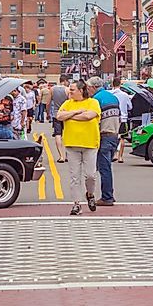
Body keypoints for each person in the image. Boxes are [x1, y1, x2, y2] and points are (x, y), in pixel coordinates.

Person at [57, 80, 101, 215]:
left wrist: (69, 116)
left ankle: (90, 194)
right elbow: (59, 116)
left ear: (81, 91)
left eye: (72, 90)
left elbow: (89, 116)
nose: (69, 92)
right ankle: (77, 204)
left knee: (90, 175)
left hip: (90, 144)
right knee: (74, 177)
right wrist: (76, 112)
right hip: (71, 144)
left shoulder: (93, 103)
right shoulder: (68, 103)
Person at [86, 77, 121, 206]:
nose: (87, 90)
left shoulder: (96, 100)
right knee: (106, 167)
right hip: (114, 135)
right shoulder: (113, 97)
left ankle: (107, 197)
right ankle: (108, 193)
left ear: (94, 87)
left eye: (89, 88)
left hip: (104, 135)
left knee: (104, 168)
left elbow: (93, 120)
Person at [110, 77, 133, 163]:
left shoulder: (110, 94)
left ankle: (114, 154)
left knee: (113, 137)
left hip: (112, 118)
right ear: (120, 84)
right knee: (122, 138)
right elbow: (130, 107)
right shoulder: (125, 95)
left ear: (112, 84)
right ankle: (120, 157)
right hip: (123, 119)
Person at [50, 75, 70, 162]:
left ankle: (61, 156)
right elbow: (70, 102)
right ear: (65, 81)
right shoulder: (68, 90)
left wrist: (48, 112)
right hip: (66, 114)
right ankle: (67, 155)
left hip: (56, 114)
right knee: (67, 135)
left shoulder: (52, 89)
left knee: (58, 134)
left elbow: (48, 102)